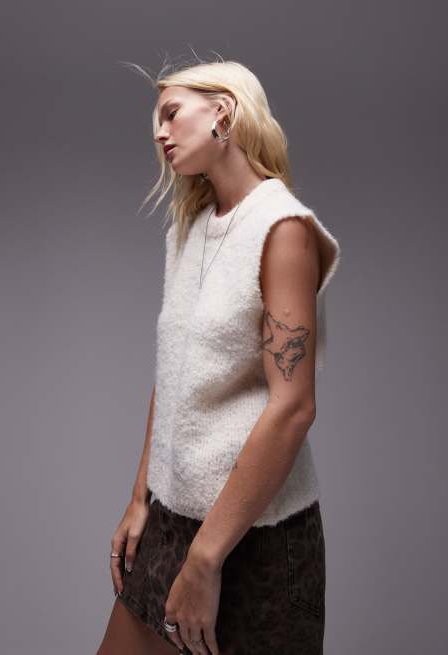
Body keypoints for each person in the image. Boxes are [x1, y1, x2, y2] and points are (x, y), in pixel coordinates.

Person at [95, 58, 341, 655]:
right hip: (173, 519)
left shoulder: (281, 228)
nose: (160, 133)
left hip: (254, 537)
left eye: (171, 114)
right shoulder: (190, 229)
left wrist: (205, 559)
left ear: (223, 112)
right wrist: (140, 498)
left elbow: (293, 408)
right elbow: (175, 374)